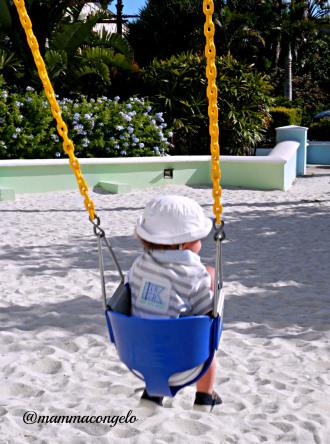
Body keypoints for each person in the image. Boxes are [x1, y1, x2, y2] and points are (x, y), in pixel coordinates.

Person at [125, 194, 222, 408]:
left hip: (138, 358)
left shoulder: (139, 264)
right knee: (208, 342)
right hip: (185, 364)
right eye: (199, 238)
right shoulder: (194, 274)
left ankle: (153, 395)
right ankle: (205, 396)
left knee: (154, 320)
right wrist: (210, 281)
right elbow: (206, 314)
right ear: (185, 243)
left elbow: (131, 289)